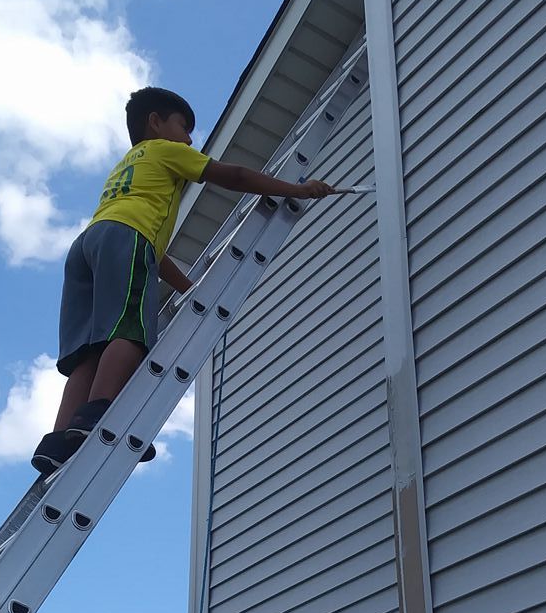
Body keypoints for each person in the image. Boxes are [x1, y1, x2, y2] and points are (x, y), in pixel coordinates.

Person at [31, 86, 336, 474]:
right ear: (156, 123)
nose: (190, 138)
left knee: (88, 351)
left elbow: (152, 257)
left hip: (89, 245)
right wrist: (297, 189)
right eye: (183, 126)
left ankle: (58, 440)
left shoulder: (128, 163)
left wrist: (190, 289)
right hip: (127, 238)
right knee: (131, 331)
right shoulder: (165, 150)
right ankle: (98, 415)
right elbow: (234, 175)